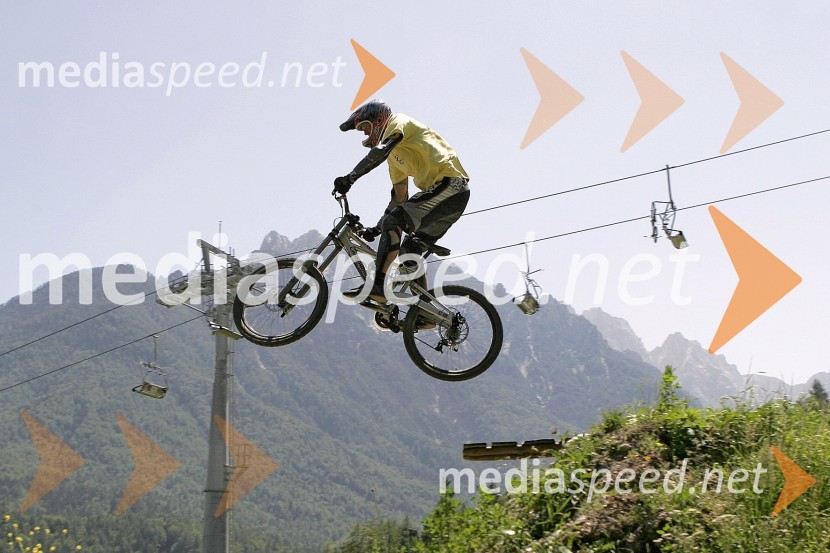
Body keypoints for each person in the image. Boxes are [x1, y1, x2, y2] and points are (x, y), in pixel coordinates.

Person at [333, 99, 470, 304]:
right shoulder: (394, 159)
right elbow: (399, 198)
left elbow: (379, 151)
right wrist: (376, 229)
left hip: (451, 185)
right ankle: (426, 313)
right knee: (409, 251)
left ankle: (378, 287)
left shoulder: (397, 121)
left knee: (394, 222)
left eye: (364, 128)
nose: (364, 134)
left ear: (377, 120)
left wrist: (350, 178)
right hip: (447, 200)